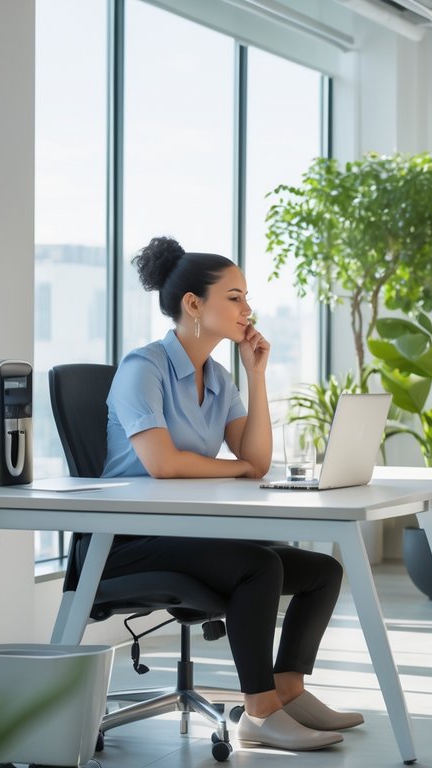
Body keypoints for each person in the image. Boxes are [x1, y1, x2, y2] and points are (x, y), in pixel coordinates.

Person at [100, 236, 361, 752]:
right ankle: (258, 714)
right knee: (259, 567)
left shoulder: (219, 378)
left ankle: (287, 691)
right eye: (235, 297)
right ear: (193, 305)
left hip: (186, 532)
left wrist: (256, 376)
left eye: (246, 298)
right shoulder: (143, 369)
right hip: (128, 539)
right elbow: (164, 463)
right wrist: (239, 465)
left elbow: (256, 461)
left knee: (321, 572)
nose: (249, 308)